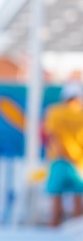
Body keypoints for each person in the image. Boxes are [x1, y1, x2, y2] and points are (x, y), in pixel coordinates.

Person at [43, 82, 83, 227]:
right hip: (79, 162)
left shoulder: (55, 112)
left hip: (59, 160)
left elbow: (52, 136)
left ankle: (53, 232)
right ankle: (78, 231)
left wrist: (64, 153)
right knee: (78, 199)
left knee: (56, 198)